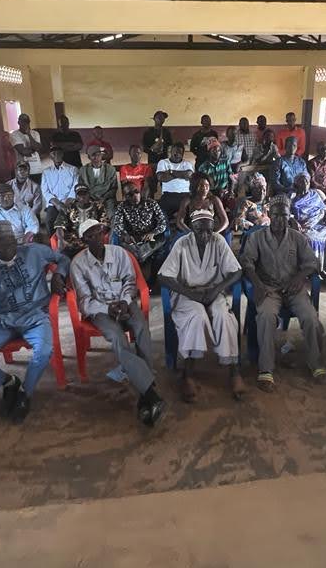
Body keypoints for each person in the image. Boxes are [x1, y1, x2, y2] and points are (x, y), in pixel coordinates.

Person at [0, 221, 69, 423]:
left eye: (10, 241)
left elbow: (62, 259)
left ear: (16, 240)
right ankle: (8, 382)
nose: (7, 247)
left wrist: (58, 275)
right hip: (3, 319)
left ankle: (25, 394)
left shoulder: (34, 252)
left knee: (44, 351)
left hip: (35, 316)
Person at [70, 219, 166, 427]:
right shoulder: (78, 264)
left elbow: (130, 282)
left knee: (141, 327)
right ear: (83, 240)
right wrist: (107, 309)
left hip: (124, 302)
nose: (96, 237)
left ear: (104, 233)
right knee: (116, 336)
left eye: (99, 232)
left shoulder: (119, 253)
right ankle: (150, 393)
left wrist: (124, 302)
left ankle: (145, 393)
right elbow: (85, 301)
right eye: (90, 235)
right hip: (100, 310)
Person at [159, 209, 245, 402]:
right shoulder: (182, 244)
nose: (205, 235)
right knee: (196, 317)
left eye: (209, 231)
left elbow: (236, 271)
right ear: (192, 228)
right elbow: (163, 276)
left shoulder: (218, 241)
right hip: (187, 293)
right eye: (200, 231)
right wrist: (191, 294)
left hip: (212, 292)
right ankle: (188, 374)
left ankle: (234, 371)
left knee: (224, 317)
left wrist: (215, 291)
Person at [240, 197, 324, 390]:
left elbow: (312, 263)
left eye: (284, 216)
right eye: (276, 215)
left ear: (288, 217)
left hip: (294, 288)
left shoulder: (297, 237)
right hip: (268, 287)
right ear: (269, 215)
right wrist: (258, 285)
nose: (279, 220)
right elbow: (247, 263)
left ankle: (316, 363)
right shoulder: (257, 237)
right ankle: (266, 369)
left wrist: (300, 277)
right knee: (266, 316)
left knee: (310, 317)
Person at [112, 182, 168, 283]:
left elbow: (163, 223)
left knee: (142, 254)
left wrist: (153, 233)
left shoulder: (151, 203)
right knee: (131, 251)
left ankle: (149, 281)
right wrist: (125, 235)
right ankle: (135, 281)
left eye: (136, 191)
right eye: (130, 194)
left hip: (152, 237)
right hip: (133, 238)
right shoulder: (122, 207)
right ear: (125, 197)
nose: (135, 195)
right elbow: (117, 225)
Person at [290, 173, 326, 270]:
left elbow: (324, 209)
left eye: (307, 181)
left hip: (317, 224)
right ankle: (315, 269)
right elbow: (287, 213)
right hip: (303, 226)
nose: (305, 184)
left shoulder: (314, 194)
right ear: (296, 184)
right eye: (302, 182)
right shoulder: (292, 197)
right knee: (311, 239)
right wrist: (293, 220)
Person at [55, 184, 108, 257]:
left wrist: (95, 236)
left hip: (93, 239)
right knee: (62, 255)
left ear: (89, 194)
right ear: (76, 197)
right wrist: (61, 239)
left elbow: (104, 224)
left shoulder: (98, 206)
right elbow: (59, 225)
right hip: (74, 242)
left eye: (85, 194)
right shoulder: (70, 207)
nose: (82, 197)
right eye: (79, 195)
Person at [41, 144, 78, 231]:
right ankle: (53, 243)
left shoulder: (72, 169)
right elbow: (45, 191)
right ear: (50, 156)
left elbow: (75, 188)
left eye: (59, 154)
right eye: (54, 154)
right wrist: (57, 204)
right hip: (54, 203)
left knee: (72, 221)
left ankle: (71, 241)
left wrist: (65, 204)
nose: (56, 156)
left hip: (69, 202)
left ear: (62, 154)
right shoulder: (46, 172)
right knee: (50, 221)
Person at [156, 143, 195, 221]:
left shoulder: (187, 164)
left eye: (179, 152)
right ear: (170, 152)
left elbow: (189, 175)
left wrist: (171, 172)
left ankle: (186, 231)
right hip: (168, 195)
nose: (176, 154)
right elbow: (162, 178)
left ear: (183, 154)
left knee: (188, 217)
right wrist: (182, 174)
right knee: (162, 218)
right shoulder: (163, 162)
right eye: (174, 152)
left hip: (185, 196)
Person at [78, 146, 118, 219]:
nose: (96, 157)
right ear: (89, 157)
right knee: (88, 216)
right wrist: (89, 199)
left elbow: (114, 188)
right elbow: (81, 189)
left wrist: (103, 198)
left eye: (98, 154)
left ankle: (112, 230)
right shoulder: (83, 170)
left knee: (112, 215)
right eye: (93, 155)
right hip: (89, 198)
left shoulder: (110, 169)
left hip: (106, 198)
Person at [9, 113, 43, 183]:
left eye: (27, 121)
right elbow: (23, 152)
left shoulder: (35, 133)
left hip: (37, 168)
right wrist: (34, 148)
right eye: (23, 121)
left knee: (37, 189)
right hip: (23, 169)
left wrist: (29, 134)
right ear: (18, 122)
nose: (25, 123)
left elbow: (39, 148)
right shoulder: (14, 135)